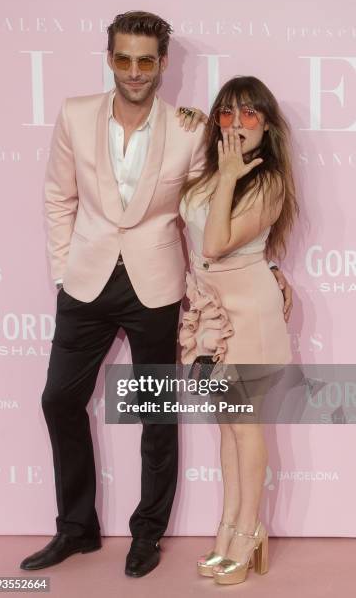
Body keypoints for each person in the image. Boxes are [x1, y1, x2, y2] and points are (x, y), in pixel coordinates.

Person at [19, 9, 292, 578]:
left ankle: (148, 533)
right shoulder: (75, 114)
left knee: (155, 414)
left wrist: (265, 267)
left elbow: (211, 202)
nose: (135, 71)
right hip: (86, 282)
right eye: (124, 58)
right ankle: (77, 529)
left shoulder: (191, 127)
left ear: (164, 63)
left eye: (147, 60)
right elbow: (56, 197)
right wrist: (64, 271)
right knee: (58, 399)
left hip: (158, 286)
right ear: (110, 58)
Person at [179, 76, 298, 585]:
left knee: (246, 429)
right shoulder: (207, 174)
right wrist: (190, 124)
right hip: (213, 309)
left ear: (267, 124)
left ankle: (249, 532)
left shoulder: (268, 180)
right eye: (227, 113)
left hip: (249, 310)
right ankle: (227, 526)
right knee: (227, 429)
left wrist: (229, 175)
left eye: (250, 113)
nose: (237, 123)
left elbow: (217, 242)